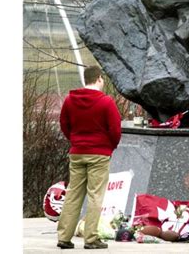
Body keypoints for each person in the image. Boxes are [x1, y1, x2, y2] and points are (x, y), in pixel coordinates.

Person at [57, 65, 122, 250]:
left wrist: (75, 140)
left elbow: (64, 124)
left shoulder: (70, 100)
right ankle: (91, 238)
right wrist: (110, 146)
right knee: (95, 196)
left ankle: (64, 237)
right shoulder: (106, 102)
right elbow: (115, 129)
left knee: (73, 195)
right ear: (99, 79)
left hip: (77, 153)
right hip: (99, 154)